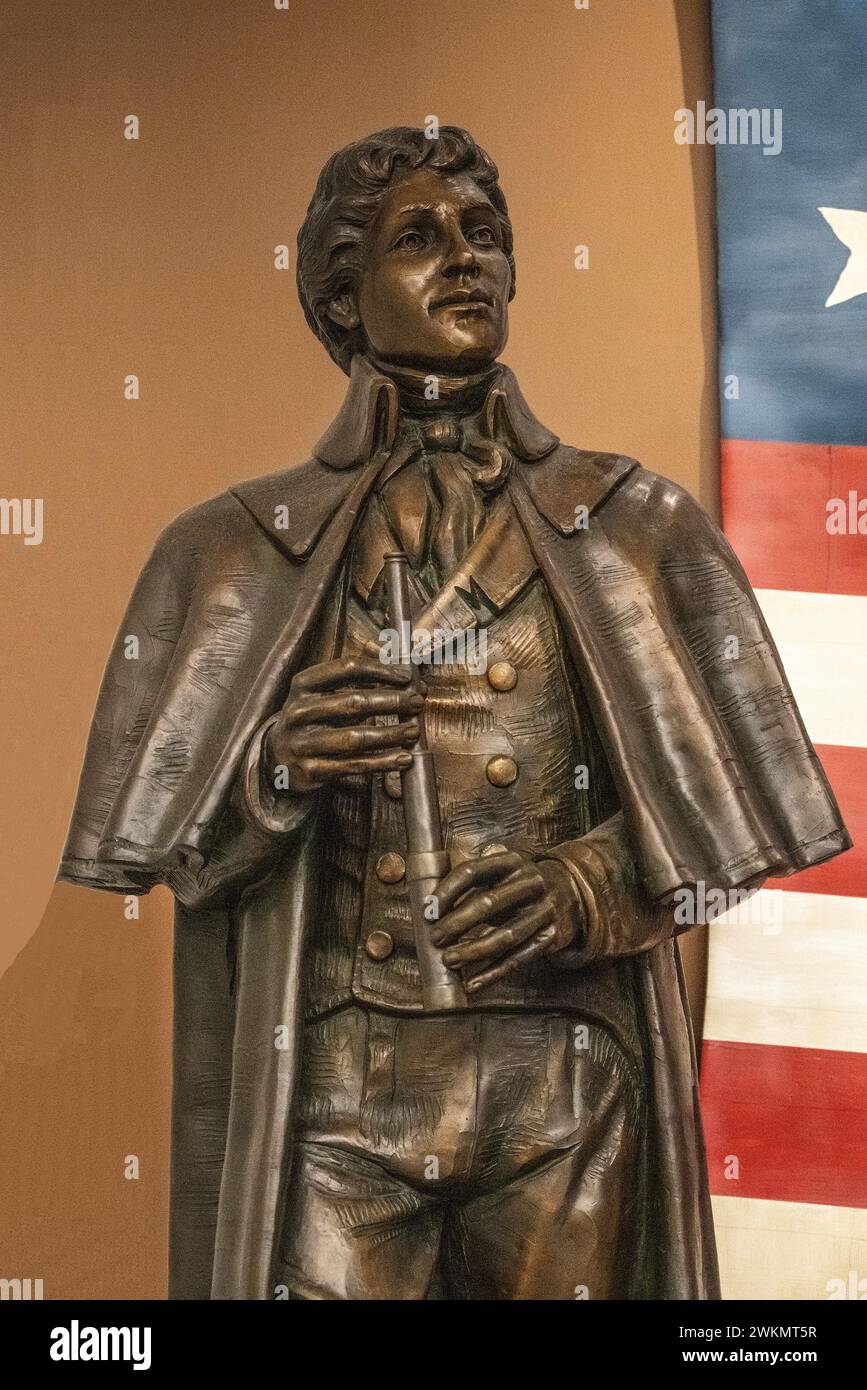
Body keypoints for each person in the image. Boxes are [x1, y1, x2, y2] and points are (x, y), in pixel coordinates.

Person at [59, 126, 850, 1300]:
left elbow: (734, 830)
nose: (465, 262)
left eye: (484, 236)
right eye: (418, 240)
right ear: (342, 290)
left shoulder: (634, 528)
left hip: (562, 1086)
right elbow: (174, 850)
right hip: (338, 1088)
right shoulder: (231, 552)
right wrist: (274, 772)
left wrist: (588, 885)